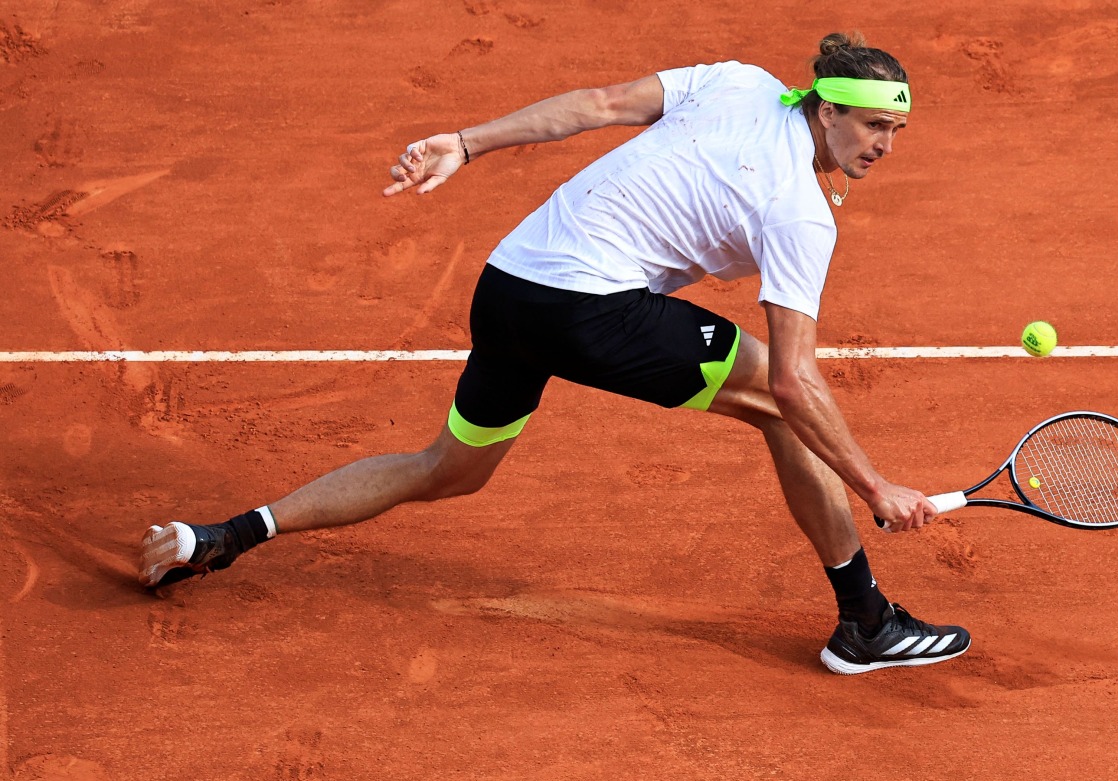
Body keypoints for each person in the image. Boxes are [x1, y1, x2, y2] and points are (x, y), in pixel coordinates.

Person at [140, 32, 970, 675]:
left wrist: (465, 143)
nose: (884, 147)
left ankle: (222, 537)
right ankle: (863, 622)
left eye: (896, 130)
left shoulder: (740, 82)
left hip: (509, 282)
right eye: (872, 125)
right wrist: (874, 486)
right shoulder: (800, 212)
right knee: (779, 407)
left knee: (449, 470)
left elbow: (601, 103)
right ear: (827, 108)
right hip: (587, 306)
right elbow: (794, 381)